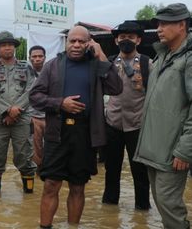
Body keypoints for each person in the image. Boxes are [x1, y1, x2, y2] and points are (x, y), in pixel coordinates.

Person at [30, 26, 123, 227]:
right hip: (58, 132)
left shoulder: (95, 66)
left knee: (78, 187)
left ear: (89, 42)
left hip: (85, 134)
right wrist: (60, 103)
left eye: (82, 41)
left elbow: (116, 87)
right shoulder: (52, 66)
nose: (77, 45)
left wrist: (102, 55)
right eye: (73, 41)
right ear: (66, 42)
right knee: (50, 185)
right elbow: (35, 97)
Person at [134, 3, 192, 229]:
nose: (159, 28)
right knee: (161, 201)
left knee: (170, 204)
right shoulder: (163, 56)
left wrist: (186, 150)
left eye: (165, 23)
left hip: (173, 149)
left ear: (181, 25)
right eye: (158, 23)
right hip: (153, 145)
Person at [102, 21, 151, 210]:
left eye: (131, 37)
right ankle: (109, 208)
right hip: (112, 124)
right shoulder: (109, 63)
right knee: (110, 170)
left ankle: (142, 209)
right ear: (116, 40)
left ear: (138, 40)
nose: (126, 40)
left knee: (140, 171)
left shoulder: (148, 64)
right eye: (122, 37)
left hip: (137, 125)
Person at [0, 31, 37, 194]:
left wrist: (15, 111)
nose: (7, 48)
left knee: (24, 156)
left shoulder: (27, 68)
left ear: (14, 47)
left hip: (22, 118)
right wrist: (6, 111)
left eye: (10, 45)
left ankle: (28, 197)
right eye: (3, 45)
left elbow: (31, 90)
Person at [28, 45, 46, 171]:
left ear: (44, 57)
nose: (37, 59)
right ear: (30, 58)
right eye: (34, 56)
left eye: (40, 56)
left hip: (50, 115)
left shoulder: (52, 71)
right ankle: (37, 172)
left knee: (52, 146)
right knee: (35, 148)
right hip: (33, 117)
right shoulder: (25, 74)